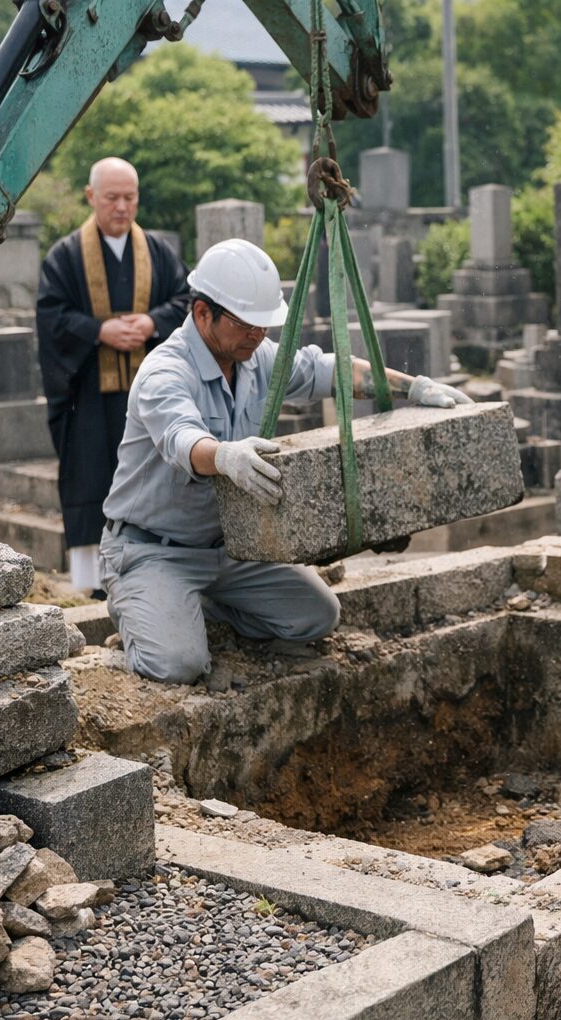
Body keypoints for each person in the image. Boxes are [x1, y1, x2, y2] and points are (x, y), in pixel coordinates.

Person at [99, 238, 470, 684]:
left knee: (314, 617)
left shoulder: (254, 357)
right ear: (202, 314)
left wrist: (411, 388)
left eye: (264, 325)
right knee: (178, 665)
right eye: (247, 325)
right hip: (152, 549)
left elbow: (330, 370)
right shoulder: (165, 372)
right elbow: (182, 439)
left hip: (231, 547)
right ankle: (147, 612)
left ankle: (198, 608)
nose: (259, 336)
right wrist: (225, 455)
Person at [36, 157, 190, 598]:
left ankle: (158, 570)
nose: (122, 207)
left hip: (149, 398)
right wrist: (98, 330)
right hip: (88, 397)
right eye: (112, 198)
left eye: (130, 197)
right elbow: (51, 316)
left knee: (153, 480)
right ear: (91, 197)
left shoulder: (158, 252)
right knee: (90, 477)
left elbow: (185, 301)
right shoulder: (65, 257)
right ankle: (90, 584)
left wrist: (152, 324)